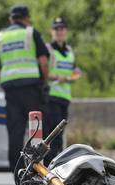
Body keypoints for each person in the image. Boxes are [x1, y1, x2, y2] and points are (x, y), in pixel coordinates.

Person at [0, 5, 50, 171]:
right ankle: (37, 168)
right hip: (31, 87)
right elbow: (44, 62)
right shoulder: (31, 33)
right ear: (26, 18)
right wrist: (43, 80)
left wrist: (5, 80)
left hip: (10, 89)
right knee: (36, 130)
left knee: (15, 131)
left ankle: (16, 170)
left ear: (11, 19)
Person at [44, 17, 81, 165]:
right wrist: (59, 77)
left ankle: (54, 167)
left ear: (66, 31)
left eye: (62, 29)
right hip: (51, 97)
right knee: (54, 136)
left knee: (60, 136)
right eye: (56, 29)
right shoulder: (49, 50)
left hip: (64, 98)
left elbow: (74, 70)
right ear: (52, 32)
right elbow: (44, 73)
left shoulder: (69, 50)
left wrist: (76, 75)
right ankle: (48, 166)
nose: (59, 32)